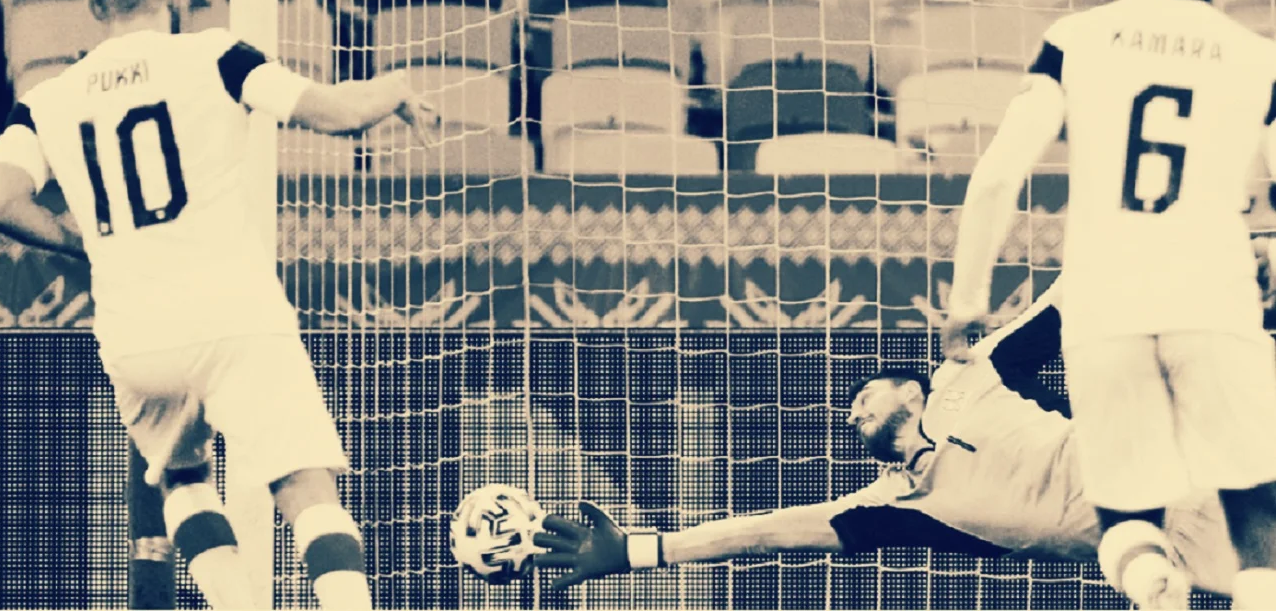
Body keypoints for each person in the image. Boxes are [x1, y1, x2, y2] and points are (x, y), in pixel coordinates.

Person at [0, 0, 435, 608]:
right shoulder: (218, 56)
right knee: (304, 486)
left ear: (93, 5)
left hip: (136, 335)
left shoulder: (45, 100)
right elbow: (338, 114)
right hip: (233, 313)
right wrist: (392, 88)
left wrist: (83, 244)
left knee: (183, 478)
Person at [531, 280, 1239, 601]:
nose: (852, 415)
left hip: (1191, 463)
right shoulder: (892, 503)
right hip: (1170, 549)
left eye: (863, 397)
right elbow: (764, 531)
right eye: (850, 412)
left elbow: (1065, 303)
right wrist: (637, 549)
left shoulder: (969, 377)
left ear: (912, 389)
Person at [938, 0, 1276, 607]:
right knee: (1255, 504)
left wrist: (967, 302)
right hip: (1214, 296)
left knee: (1126, 515)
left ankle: (1153, 585)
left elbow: (998, 175)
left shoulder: (1076, 37)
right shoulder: (1258, 57)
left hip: (1106, 303)